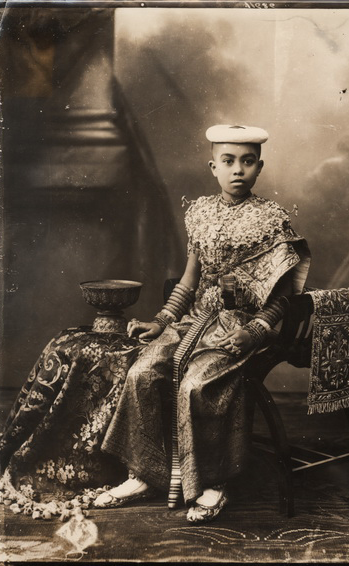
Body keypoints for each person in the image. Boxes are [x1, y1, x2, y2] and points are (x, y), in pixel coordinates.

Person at [93, 124, 311, 523]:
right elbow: (189, 282)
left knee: (196, 384)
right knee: (141, 372)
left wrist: (253, 333)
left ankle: (213, 482)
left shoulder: (272, 219)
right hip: (195, 321)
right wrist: (162, 320)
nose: (238, 170)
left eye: (248, 161)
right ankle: (143, 474)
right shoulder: (200, 213)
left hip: (242, 327)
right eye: (228, 161)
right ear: (214, 167)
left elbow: (284, 297)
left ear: (259, 167)